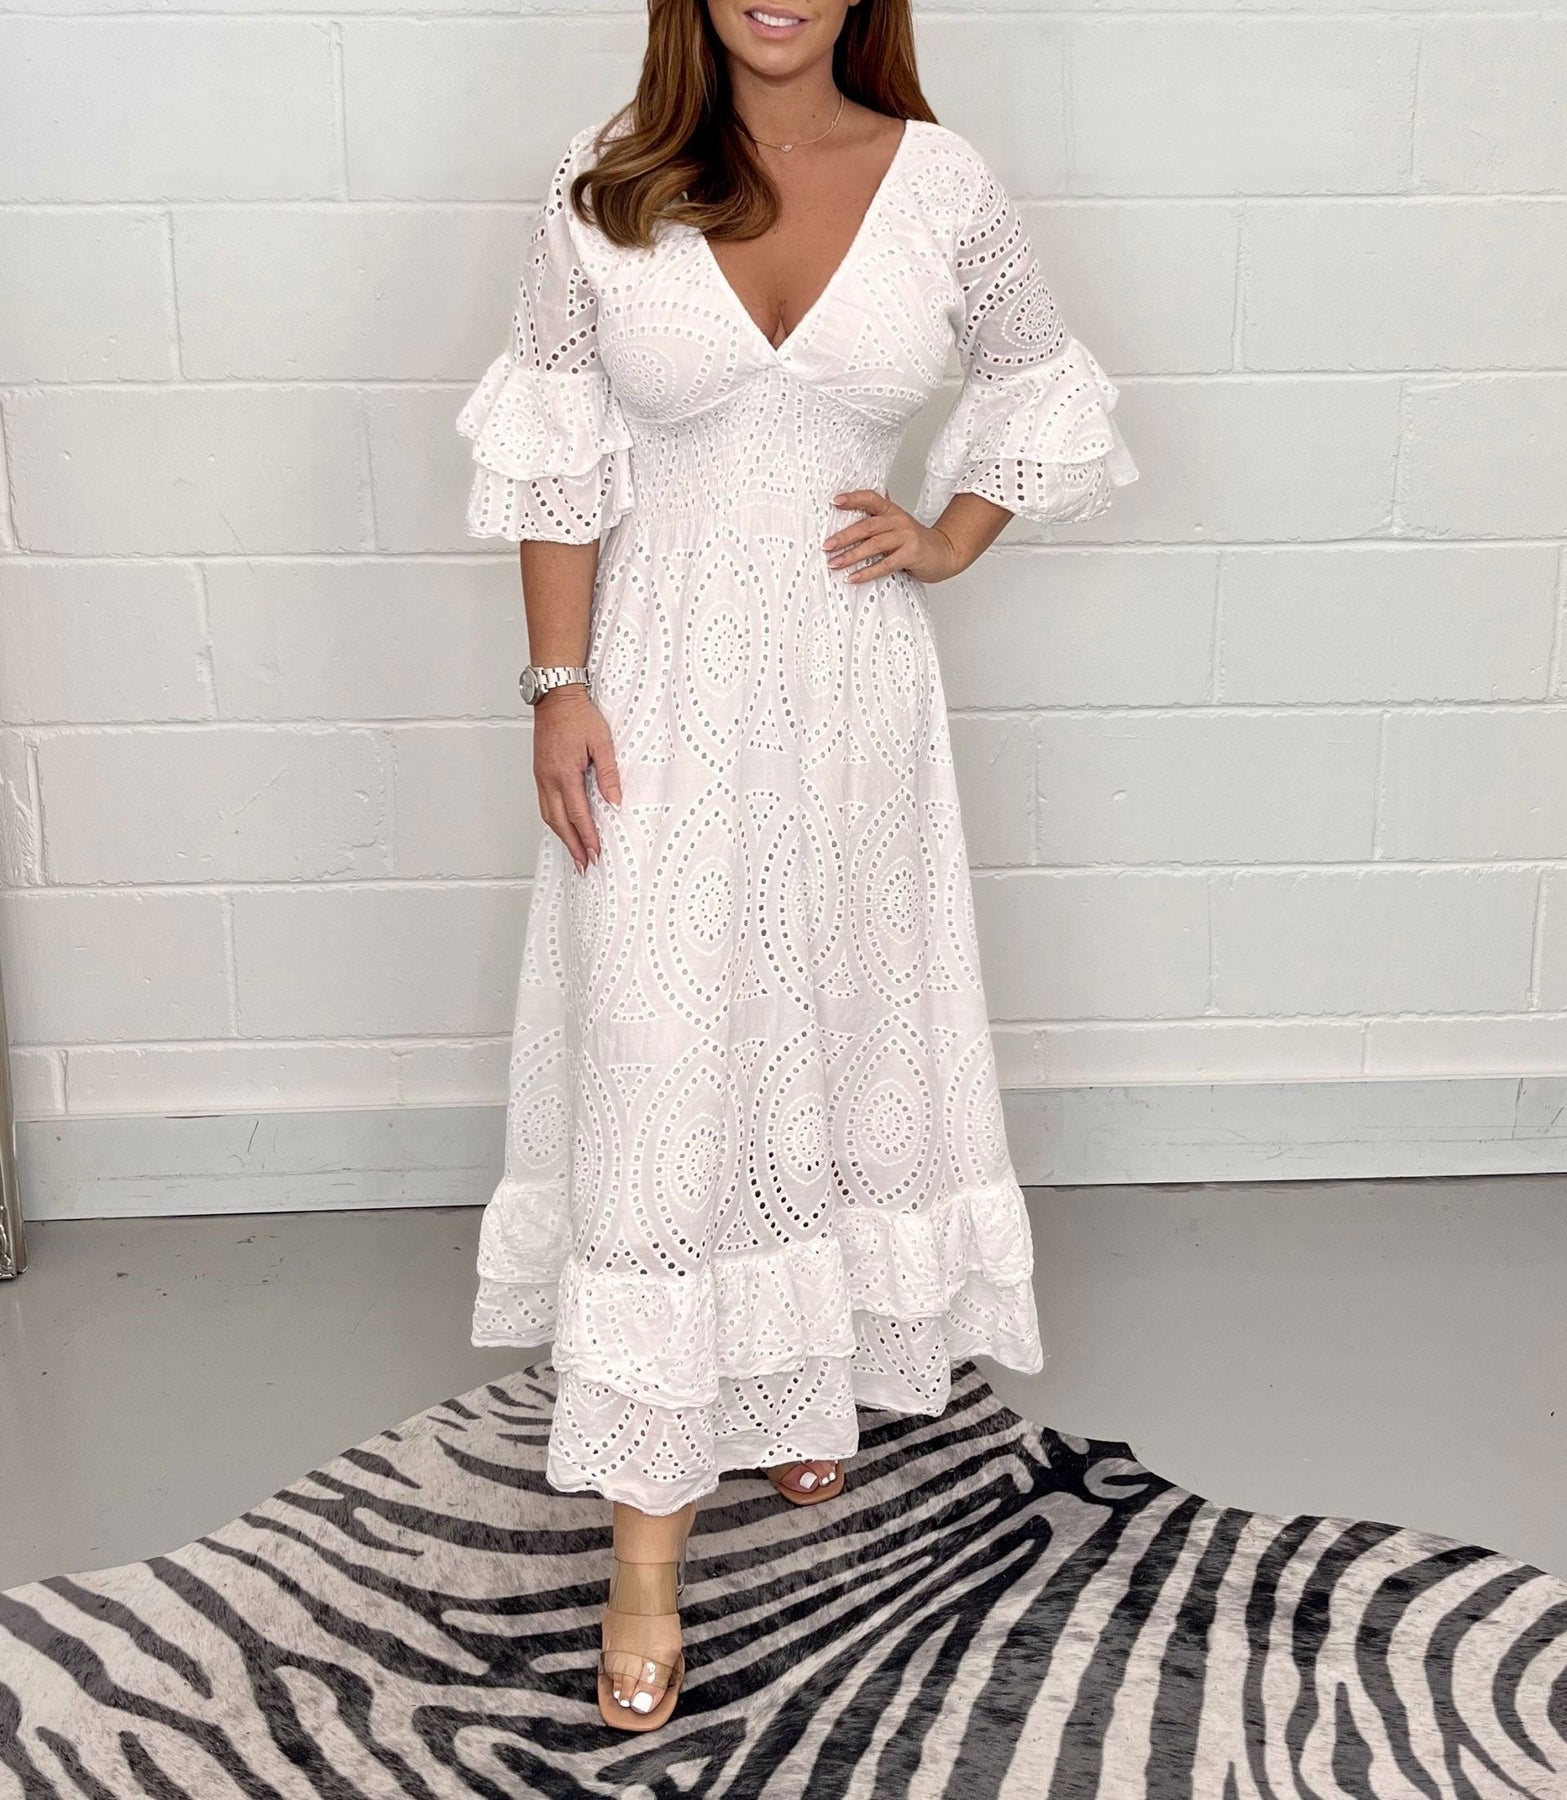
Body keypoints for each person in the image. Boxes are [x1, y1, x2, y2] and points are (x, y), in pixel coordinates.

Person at [455, 0, 1138, 1733]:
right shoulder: (606, 185)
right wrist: (557, 684)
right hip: (657, 682)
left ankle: (792, 1372)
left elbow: (1041, 381)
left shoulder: (943, 183)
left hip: (850, 689)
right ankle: (645, 1552)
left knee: (836, 1031)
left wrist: (952, 535)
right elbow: (556, 456)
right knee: (664, 1052)